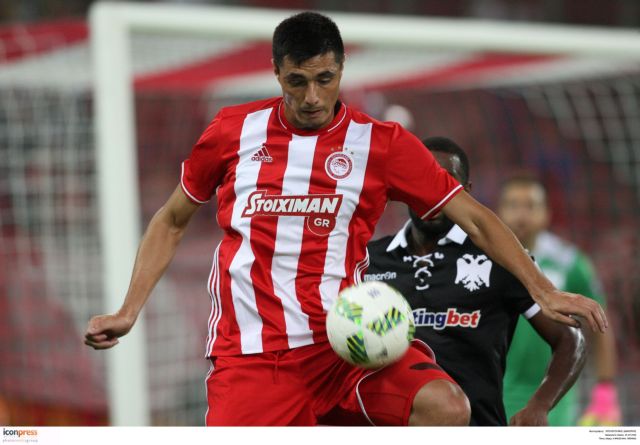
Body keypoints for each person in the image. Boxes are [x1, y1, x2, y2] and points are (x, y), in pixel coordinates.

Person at [83, 12, 606, 426]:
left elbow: (475, 217)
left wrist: (542, 289)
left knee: (446, 407)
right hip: (254, 356)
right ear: (277, 73)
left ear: (341, 69)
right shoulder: (231, 132)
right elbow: (172, 220)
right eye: (297, 81)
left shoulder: (381, 145)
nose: (312, 97)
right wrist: (129, 309)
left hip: (347, 347)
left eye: (325, 79)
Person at [364, 137, 586, 426]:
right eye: (422, 179)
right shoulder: (368, 260)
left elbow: (570, 339)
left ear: (465, 193)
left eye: (445, 183)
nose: (432, 193)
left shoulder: (500, 257)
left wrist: (540, 405)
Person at [498, 175, 621, 426]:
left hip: (553, 397)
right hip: (495, 391)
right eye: (513, 205)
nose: (521, 215)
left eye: (531, 206)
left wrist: (605, 391)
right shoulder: (481, 261)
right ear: (499, 212)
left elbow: (601, 325)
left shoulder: (571, 264)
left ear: (546, 214)